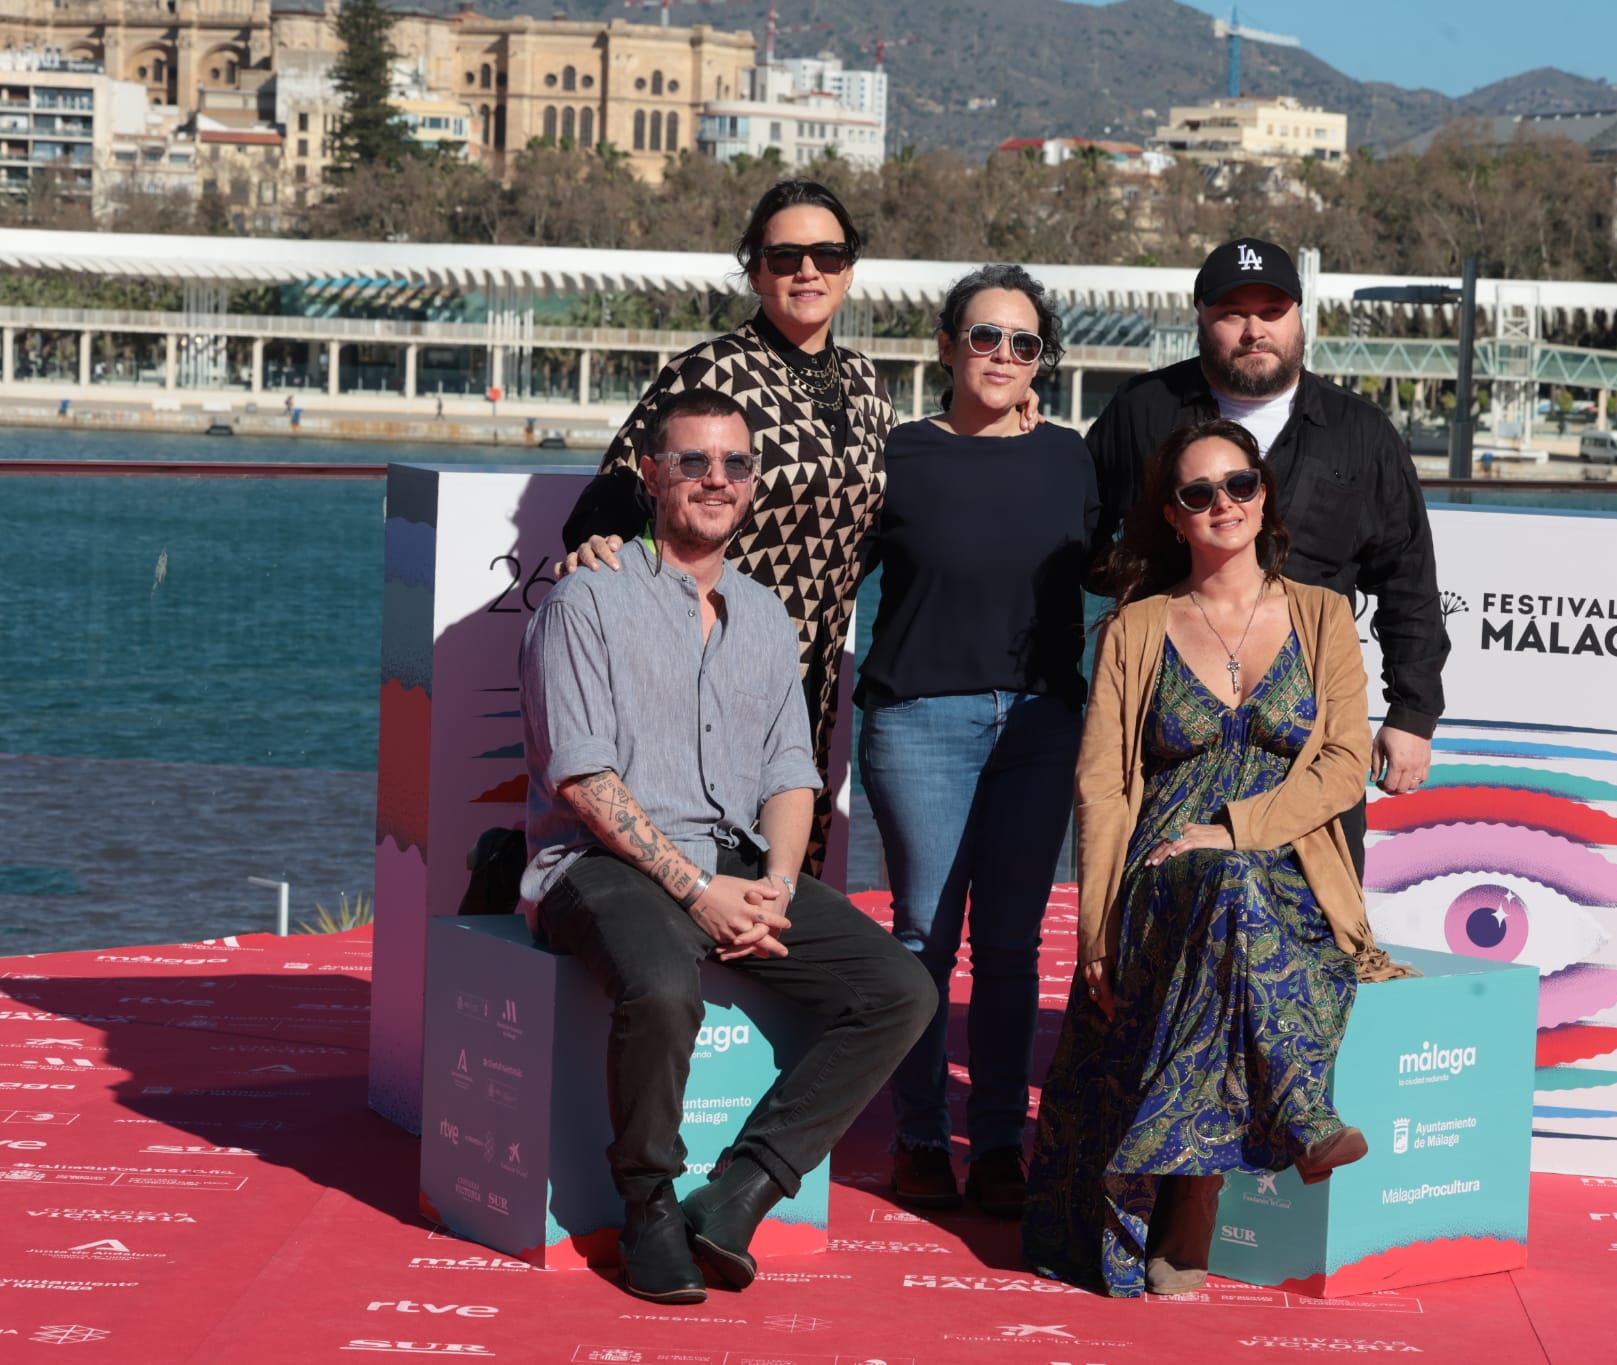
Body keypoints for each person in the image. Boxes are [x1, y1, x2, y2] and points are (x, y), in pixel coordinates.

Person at [517, 387, 937, 1305]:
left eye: (736, 464)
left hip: (737, 859)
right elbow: (586, 783)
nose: (717, 479)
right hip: (599, 864)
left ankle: (740, 1191)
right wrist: (698, 889)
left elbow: (794, 774)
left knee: (901, 991)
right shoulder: (586, 600)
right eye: (694, 461)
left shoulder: (762, 615)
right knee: (665, 986)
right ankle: (647, 1205)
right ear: (651, 474)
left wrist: (779, 883)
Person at [1022, 419, 1408, 1299]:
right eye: (1199, 493)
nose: (1222, 504)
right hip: (1161, 871)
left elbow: (1347, 763)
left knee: (1233, 884)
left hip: (1288, 866)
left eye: (1238, 484)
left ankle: (1193, 1194)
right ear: (1174, 515)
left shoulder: (1323, 614)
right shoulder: (1136, 628)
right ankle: (1296, 1122)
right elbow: (1103, 788)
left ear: (1263, 494)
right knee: (1215, 888)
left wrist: (1235, 828)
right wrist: (1094, 931)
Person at [558, 180, 897, 876]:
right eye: (785, 257)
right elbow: (625, 483)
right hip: (711, 663)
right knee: (704, 862)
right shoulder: (713, 370)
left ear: (849, 270)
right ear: (754, 270)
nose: (809, 271)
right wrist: (595, 539)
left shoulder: (868, 384)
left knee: (788, 881)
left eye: (828, 255)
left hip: (811, 680)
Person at [856, 265, 1097, 1217]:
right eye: (986, 336)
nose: (1003, 355)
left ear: (1042, 362)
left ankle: (999, 1142)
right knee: (921, 934)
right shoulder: (899, 456)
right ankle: (920, 1137)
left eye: (1024, 343)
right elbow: (824, 570)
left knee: (1008, 942)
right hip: (918, 719)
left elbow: (1137, 566)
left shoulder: (1072, 460)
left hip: (1041, 726)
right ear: (948, 345)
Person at [1085, 238, 1450, 835]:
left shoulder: (1361, 433)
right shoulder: (1142, 411)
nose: (1255, 330)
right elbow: (1078, 533)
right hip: (1170, 725)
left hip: (1313, 731)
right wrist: (1146, 593)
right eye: (1233, 313)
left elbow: (1409, 580)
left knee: (1318, 909)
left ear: (1301, 317)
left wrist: (1412, 713)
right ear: (1200, 316)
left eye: (1273, 311)